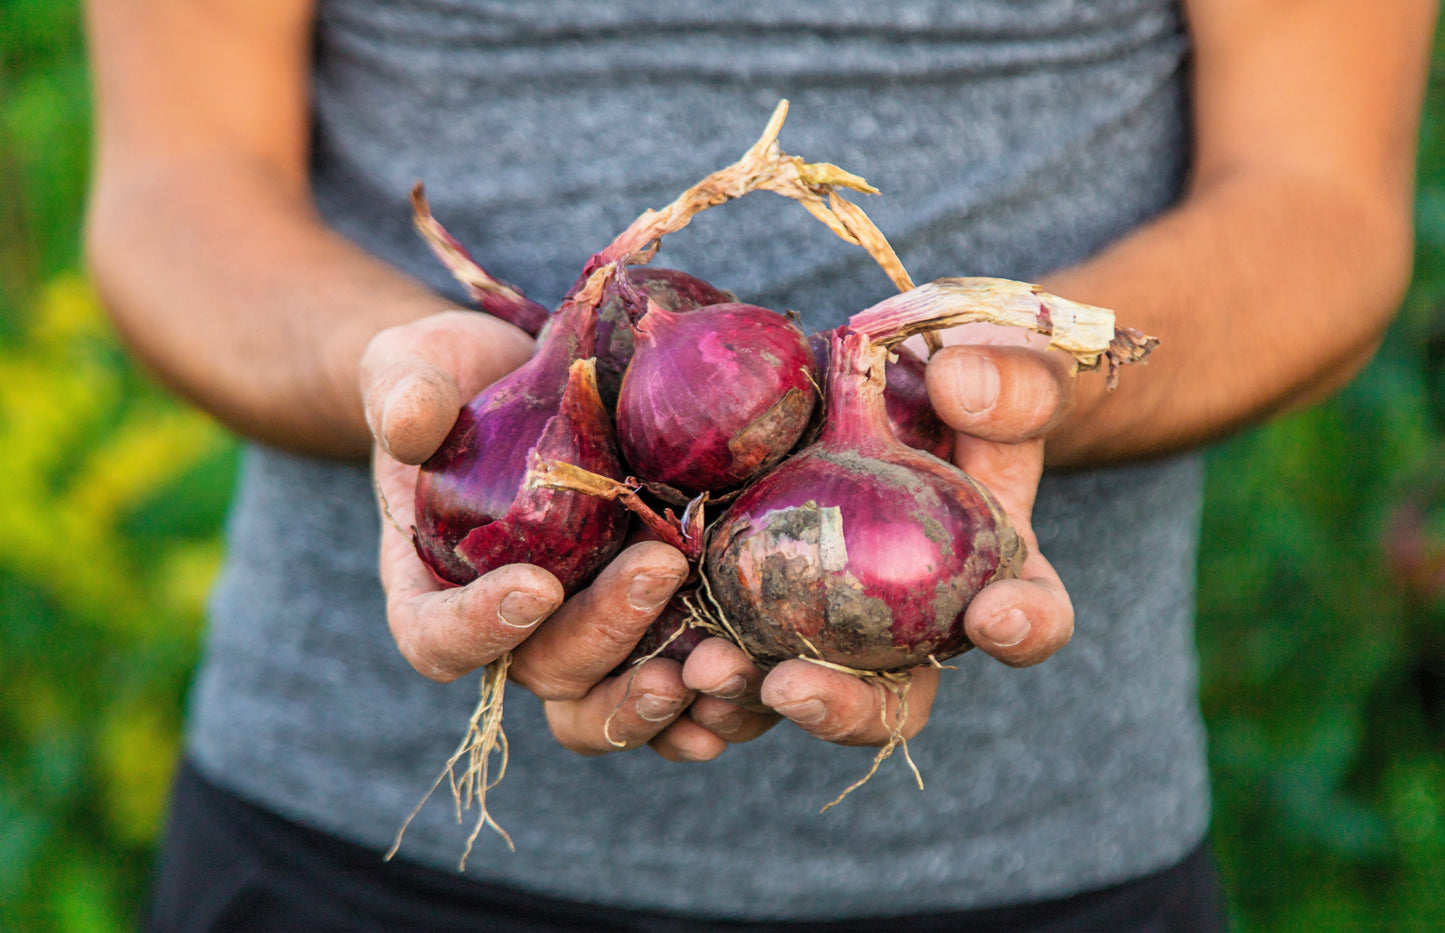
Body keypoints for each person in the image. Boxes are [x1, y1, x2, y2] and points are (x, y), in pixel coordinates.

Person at [84, 0, 1436, 930]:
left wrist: (1006, 394)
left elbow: (1316, 201)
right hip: (347, 826)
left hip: (1041, 848)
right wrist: (402, 379)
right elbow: (174, 187)